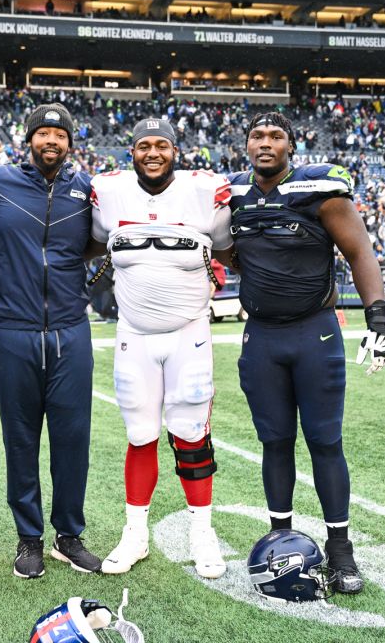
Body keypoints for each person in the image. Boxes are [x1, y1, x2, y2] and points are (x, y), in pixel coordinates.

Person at [226, 112, 385, 596]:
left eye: (275, 136)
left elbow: (360, 251)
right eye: (257, 135)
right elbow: (220, 243)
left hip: (313, 333)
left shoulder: (321, 189)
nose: (265, 143)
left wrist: (378, 319)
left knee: (324, 441)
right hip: (261, 335)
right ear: (246, 144)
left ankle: (341, 551)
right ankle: (280, 540)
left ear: (290, 147)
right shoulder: (232, 193)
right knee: (274, 440)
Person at [90, 118, 233, 579]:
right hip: (134, 333)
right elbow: (90, 243)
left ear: (177, 150)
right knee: (139, 434)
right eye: (143, 146)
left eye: (162, 145)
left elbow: (231, 248)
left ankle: (202, 533)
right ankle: (135, 534)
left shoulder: (206, 189)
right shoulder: (108, 192)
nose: (153, 153)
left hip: (189, 332)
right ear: (131, 152)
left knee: (191, 430)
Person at [0, 104, 102, 577]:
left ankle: (69, 536)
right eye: (43, 133)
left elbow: (100, 239)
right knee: (20, 439)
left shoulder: (87, 190)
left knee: (72, 438)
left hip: (69, 328)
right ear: (30, 140)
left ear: (69, 143)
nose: (51, 141)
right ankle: (29, 539)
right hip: (10, 329)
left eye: (59, 135)